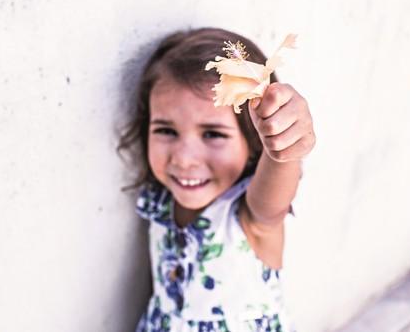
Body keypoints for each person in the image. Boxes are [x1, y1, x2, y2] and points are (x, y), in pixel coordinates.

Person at [117, 27, 315, 332]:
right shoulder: (161, 200)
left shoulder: (251, 219)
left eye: (213, 134)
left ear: (253, 143)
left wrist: (283, 152)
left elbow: (273, 200)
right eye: (166, 131)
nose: (183, 158)